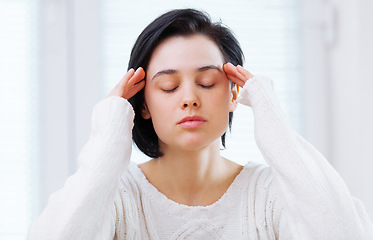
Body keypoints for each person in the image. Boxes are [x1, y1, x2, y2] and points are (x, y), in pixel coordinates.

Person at [27, 8, 373, 239]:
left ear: (234, 94)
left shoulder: (270, 194)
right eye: (168, 86)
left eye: (207, 82)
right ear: (142, 104)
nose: (189, 98)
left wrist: (275, 123)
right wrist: (107, 137)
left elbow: (343, 231)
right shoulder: (115, 196)